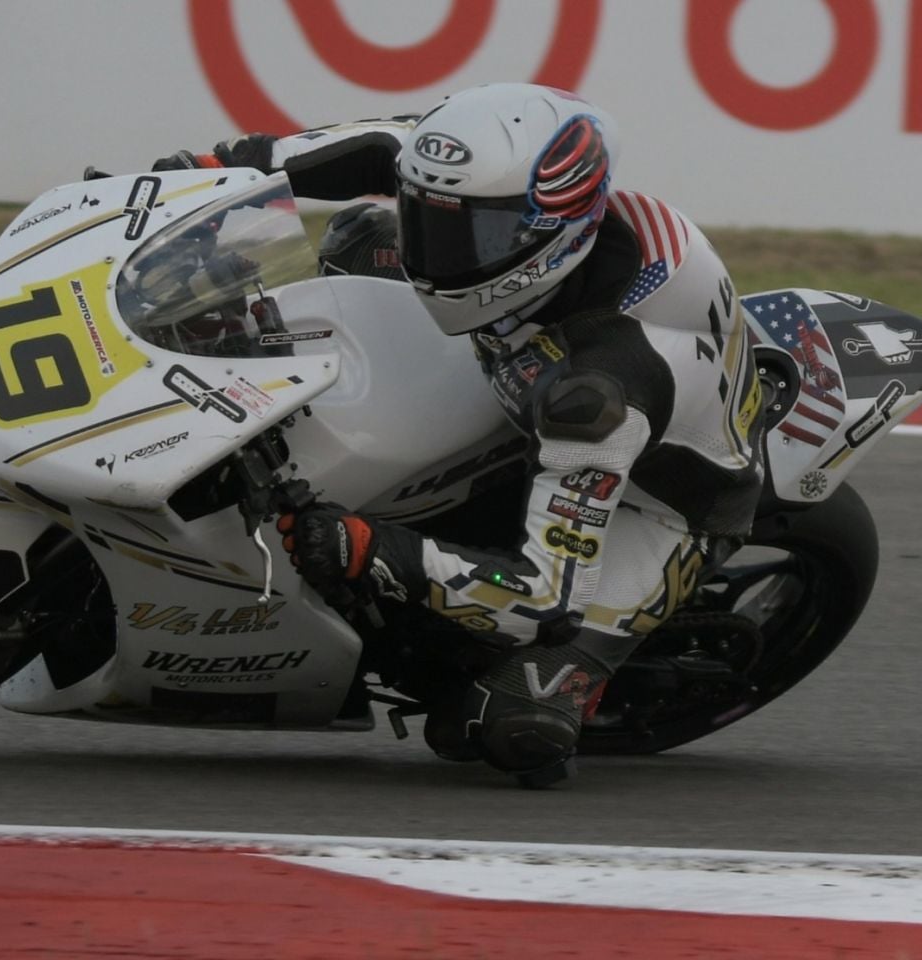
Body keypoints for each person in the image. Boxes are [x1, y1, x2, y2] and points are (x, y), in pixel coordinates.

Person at [155, 83, 766, 783]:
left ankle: (576, 679)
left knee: (504, 726)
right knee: (359, 233)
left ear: (550, 237)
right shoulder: (486, 182)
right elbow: (357, 151)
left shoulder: (597, 397)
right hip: (534, 367)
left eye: (471, 237)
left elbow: (545, 597)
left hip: (656, 508)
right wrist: (192, 176)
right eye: (430, 218)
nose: (433, 250)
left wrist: (369, 548)